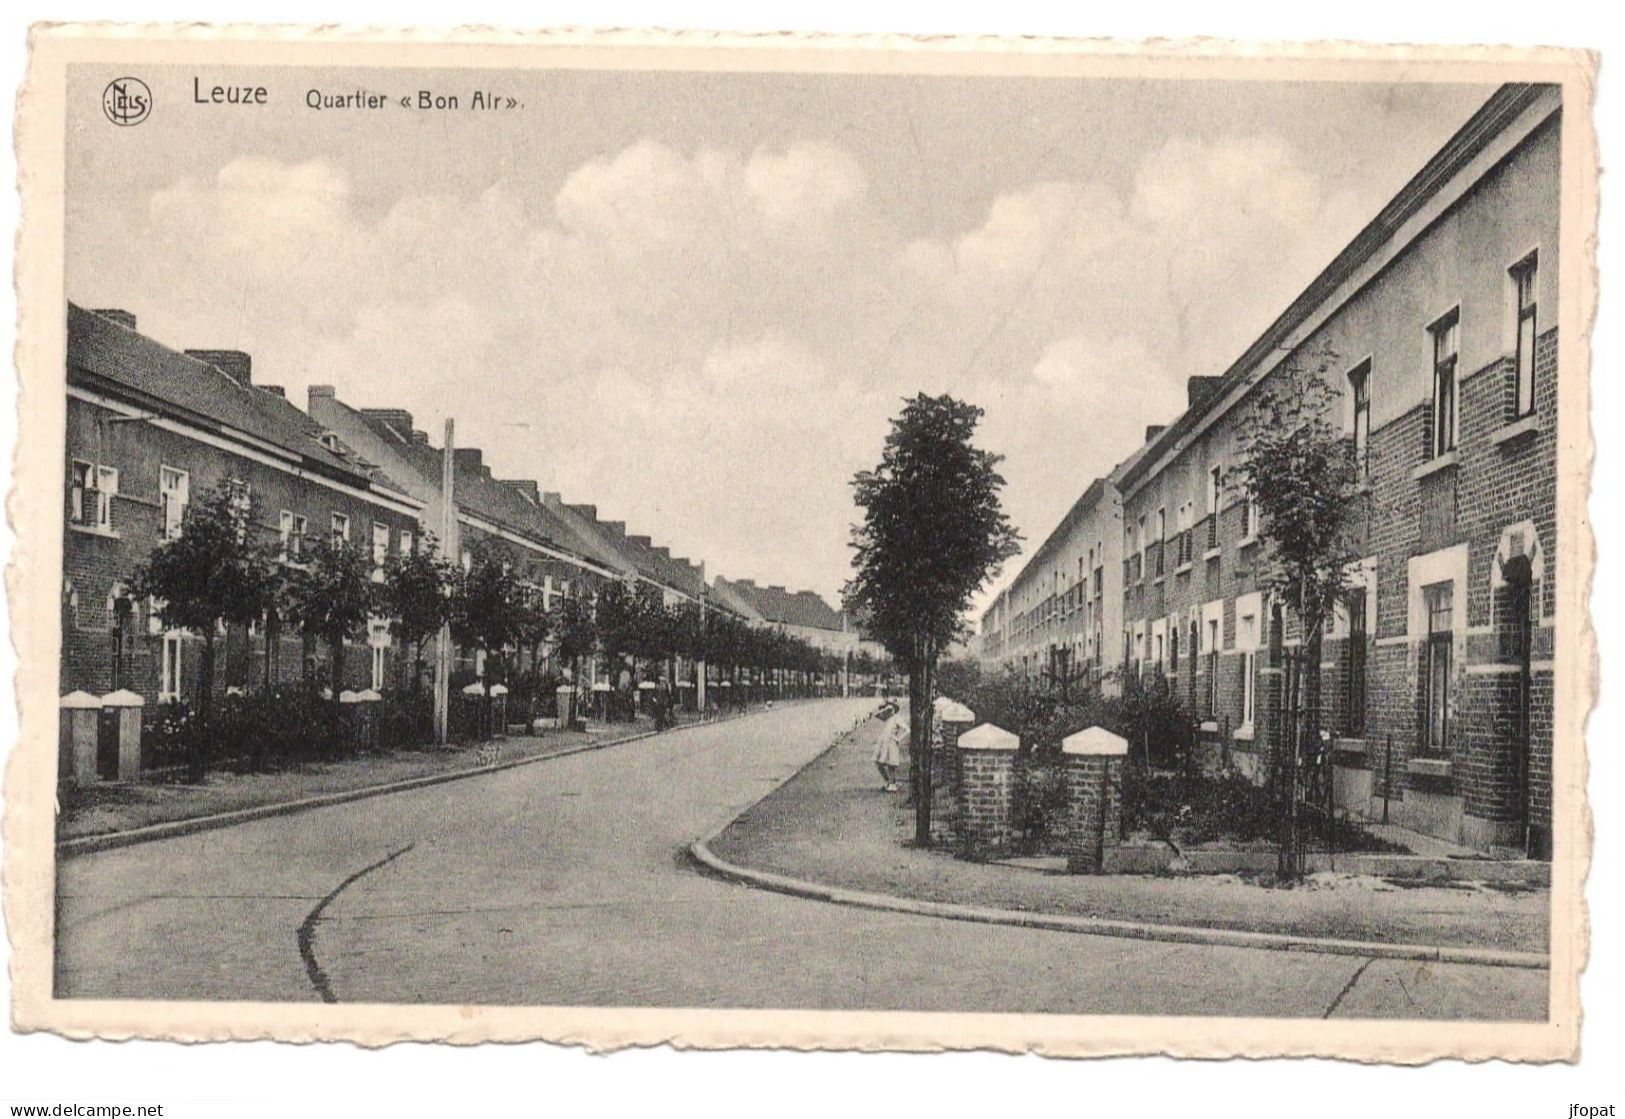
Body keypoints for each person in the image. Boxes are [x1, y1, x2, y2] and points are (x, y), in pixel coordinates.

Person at [875, 702, 907, 792]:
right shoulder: (888, 718)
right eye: (889, 710)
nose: (890, 711)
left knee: (890, 764)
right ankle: (889, 782)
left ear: (895, 710)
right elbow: (876, 715)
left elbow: (907, 729)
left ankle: (892, 785)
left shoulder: (897, 718)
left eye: (892, 709)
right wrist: (885, 709)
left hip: (892, 742)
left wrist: (899, 738)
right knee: (879, 762)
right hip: (885, 742)